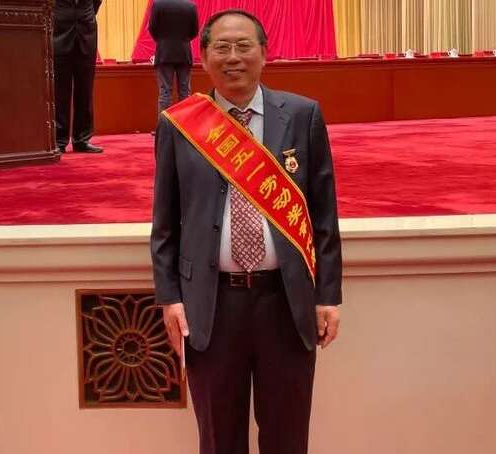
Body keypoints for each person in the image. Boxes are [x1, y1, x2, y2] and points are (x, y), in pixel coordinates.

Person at [150, 9, 342, 454]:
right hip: (211, 307)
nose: (233, 57)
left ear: (264, 53)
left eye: (243, 46)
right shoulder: (178, 125)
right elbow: (165, 223)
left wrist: (328, 296)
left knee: (287, 437)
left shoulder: (302, 115)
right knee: (219, 439)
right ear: (203, 57)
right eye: (221, 47)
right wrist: (170, 297)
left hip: (286, 303)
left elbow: (324, 215)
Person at [53, 0, 103, 154]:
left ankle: (82, 139)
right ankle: (59, 139)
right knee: (60, 90)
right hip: (60, 32)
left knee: (85, 88)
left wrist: (86, 14)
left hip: (86, 31)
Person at [148, 0, 199, 115]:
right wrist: (183, 40)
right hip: (183, 52)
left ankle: (163, 125)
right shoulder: (190, 6)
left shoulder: (158, 4)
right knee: (185, 92)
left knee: (165, 92)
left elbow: (152, 28)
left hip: (164, 52)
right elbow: (194, 31)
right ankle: (184, 123)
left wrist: (162, 41)